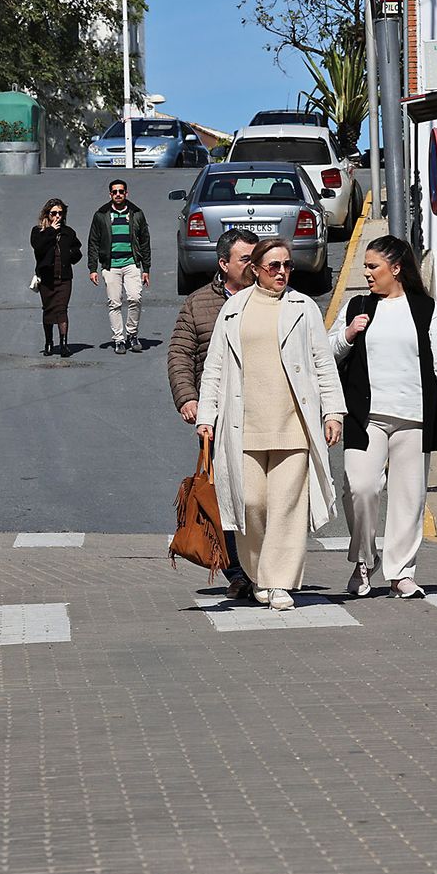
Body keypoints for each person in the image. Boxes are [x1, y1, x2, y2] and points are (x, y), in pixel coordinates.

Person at [197, 239, 345, 610]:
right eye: (274, 266)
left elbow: (323, 363)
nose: (282, 272)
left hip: (293, 424)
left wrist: (332, 412)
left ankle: (279, 583)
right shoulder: (234, 309)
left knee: (286, 508)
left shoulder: (303, 307)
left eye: (287, 266)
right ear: (257, 269)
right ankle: (259, 573)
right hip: (243, 426)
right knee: (251, 503)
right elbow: (214, 367)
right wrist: (206, 416)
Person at [330, 236, 437, 600]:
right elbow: (327, 352)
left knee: (409, 497)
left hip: (414, 417)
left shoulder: (425, 309)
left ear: (397, 268)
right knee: (361, 488)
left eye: (373, 266)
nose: (367, 273)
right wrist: (348, 333)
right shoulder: (356, 305)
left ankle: (401, 572)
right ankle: (363, 561)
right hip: (366, 416)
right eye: (366, 266)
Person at [167, 227, 260, 598]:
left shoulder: (269, 299)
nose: (254, 266)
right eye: (245, 260)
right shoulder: (198, 303)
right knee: (224, 495)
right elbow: (179, 354)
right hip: (218, 419)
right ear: (224, 264)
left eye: (257, 258)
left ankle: (263, 567)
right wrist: (187, 397)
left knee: (257, 496)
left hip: (260, 414)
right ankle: (237, 572)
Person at [86, 178, 151, 354]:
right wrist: (93, 268)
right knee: (114, 303)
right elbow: (93, 242)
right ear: (110, 194)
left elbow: (144, 241)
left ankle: (132, 334)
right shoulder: (101, 215)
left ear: (126, 193)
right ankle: (119, 339)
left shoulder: (136, 213)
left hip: (132, 263)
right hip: (111, 265)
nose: (118, 195)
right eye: (114, 192)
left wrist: (146, 268)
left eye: (121, 191)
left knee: (135, 298)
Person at [31, 198, 82, 358]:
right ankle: (48, 342)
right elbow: (38, 247)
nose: (57, 216)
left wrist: (71, 256)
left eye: (60, 213)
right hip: (47, 278)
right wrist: (51, 231)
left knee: (62, 309)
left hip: (64, 278)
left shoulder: (68, 232)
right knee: (48, 309)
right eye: (54, 213)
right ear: (47, 214)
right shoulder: (38, 231)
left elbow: (77, 250)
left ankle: (64, 344)